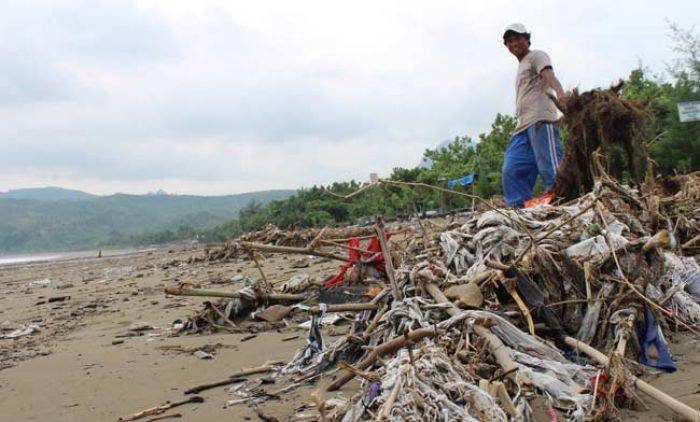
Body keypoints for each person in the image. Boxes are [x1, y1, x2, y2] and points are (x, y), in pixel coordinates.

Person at [501, 23, 567, 208]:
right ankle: (519, 209)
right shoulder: (521, 65)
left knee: (550, 167)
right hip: (522, 126)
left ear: (527, 39)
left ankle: (562, 200)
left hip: (540, 120)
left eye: (517, 38)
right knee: (512, 169)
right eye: (509, 41)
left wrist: (562, 96)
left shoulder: (536, 55)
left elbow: (548, 75)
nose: (514, 43)